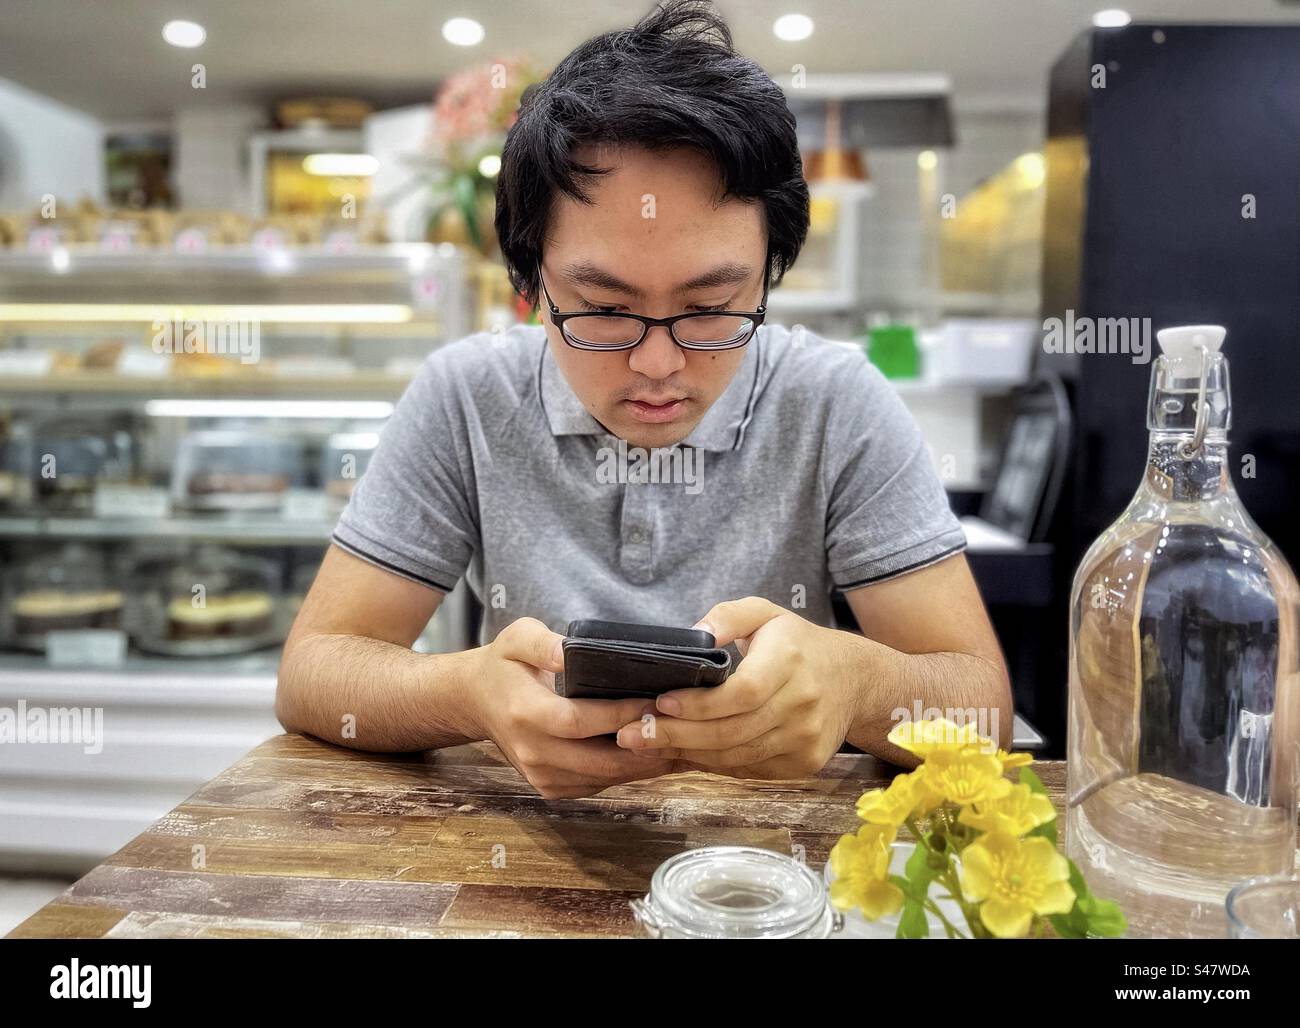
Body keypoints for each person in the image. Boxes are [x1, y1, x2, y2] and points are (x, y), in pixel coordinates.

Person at [276, 0, 1011, 798]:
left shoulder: (836, 402)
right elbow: (313, 675)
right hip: (529, 859)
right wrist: (470, 695)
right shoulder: (467, 395)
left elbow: (983, 713)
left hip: (774, 875)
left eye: (709, 308)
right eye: (604, 309)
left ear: (769, 273)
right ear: (531, 284)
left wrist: (859, 686)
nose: (657, 363)